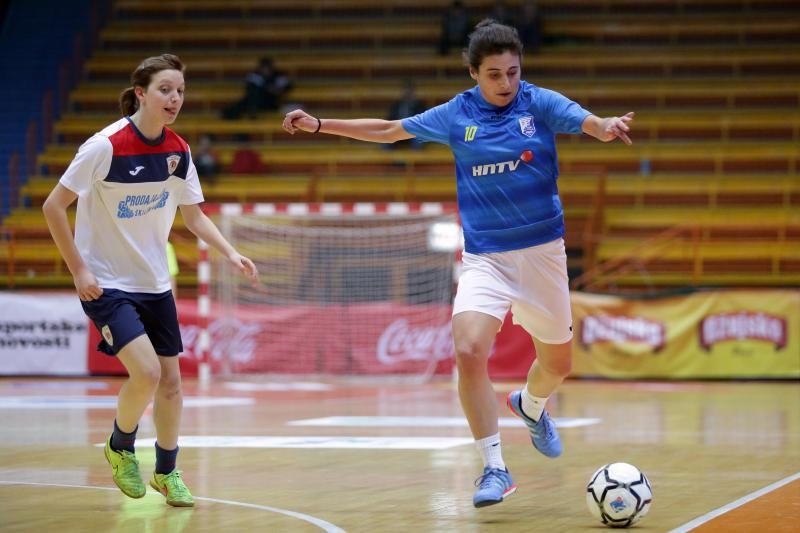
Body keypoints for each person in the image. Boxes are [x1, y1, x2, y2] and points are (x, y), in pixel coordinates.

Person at [282, 20, 634, 508]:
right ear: (473, 73)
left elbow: (587, 121)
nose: (506, 83)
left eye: (513, 72)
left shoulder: (538, 102)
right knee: (468, 351)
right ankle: (493, 468)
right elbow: (388, 131)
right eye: (494, 75)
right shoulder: (456, 114)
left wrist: (606, 126)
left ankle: (531, 407)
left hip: (543, 254)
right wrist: (321, 123)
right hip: (486, 256)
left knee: (557, 365)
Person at [42, 53, 259, 507]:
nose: (174, 98)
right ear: (140, 93)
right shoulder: (104, 146)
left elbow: (194, 217)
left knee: (173, 385)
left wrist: (231, 252)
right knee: (147, 371)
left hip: (154, 282)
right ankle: (120, 447)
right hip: (105, 282)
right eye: (165, 89)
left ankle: (166, 471)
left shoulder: (178, 152)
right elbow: (52, 206)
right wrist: (79, 269)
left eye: (180, 91)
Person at [222, 56, 292, 119]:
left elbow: (287, 87)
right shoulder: (255, 76)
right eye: (263, 68)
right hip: (256, 102)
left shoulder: (278, 77)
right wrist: (267, 88)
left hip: (271, 103)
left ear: (271, 68)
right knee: (249, 98)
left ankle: (246, 110)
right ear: (260, 68)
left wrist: (273, 89)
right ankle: (245, 110)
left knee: (249, 99)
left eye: (267, 68)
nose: (265, 70)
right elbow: (249, 89)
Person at [385, 79, 426, 150]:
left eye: (409, 90)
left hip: (413, 131)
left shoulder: (419, 105)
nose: (407, 92)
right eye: (405, 90)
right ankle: (388, 159)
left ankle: (414, 159)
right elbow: (390, 118)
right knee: (385, 140)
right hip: (398, 129)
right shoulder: (397, 105)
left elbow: (422, 121)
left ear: (413, 92)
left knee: (418, 141)